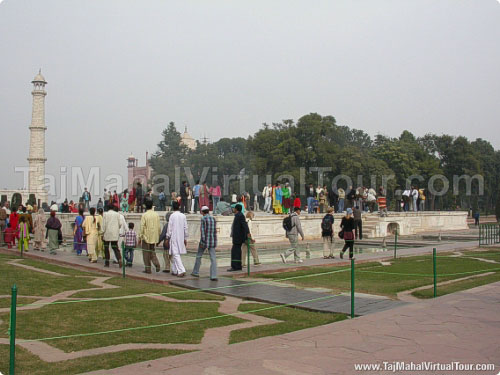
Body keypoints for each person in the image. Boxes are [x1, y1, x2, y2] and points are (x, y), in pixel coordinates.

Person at [191, 205, 218, 280]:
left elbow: (203, 232)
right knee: (213, 258)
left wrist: (203, 242)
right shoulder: (213, 218)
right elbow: (214, 231)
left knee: (199, 256)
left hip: (205, 241)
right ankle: (214, 275)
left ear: (202, 212)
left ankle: (195, 272)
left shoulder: (203, 219)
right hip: (212, 241)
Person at [166, 201, 188, 277]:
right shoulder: (183, 216)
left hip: (174, 237)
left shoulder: (172, 216)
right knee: (174, 253)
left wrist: (167, 237)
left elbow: (170, 228)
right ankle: (175, 270)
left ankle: (181, 270)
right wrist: (185, 237)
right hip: (181, 237)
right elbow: (185, 228)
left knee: (175, 254)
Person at [139, 200, 161, 273]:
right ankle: (156, 263)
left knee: (146, 253)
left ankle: (148, 268)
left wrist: (140, 236)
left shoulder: (144, 215)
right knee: (152, 251)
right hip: (154, 237)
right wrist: (158, 235)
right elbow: (159, 227)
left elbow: (142, 227)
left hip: (146, 237)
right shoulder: (156, 215)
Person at [227, 204, 249, 271]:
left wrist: (248, 233)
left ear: (236, 209)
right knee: (236, 251)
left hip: (238, 237)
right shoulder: (238, 215)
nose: (233, 209)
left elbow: (244, 225)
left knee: (235, 252)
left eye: (234, 208)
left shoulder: (240, 216)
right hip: (237, 237)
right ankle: (237, 266)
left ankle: (235, 266)